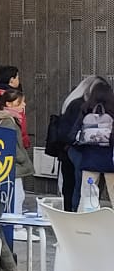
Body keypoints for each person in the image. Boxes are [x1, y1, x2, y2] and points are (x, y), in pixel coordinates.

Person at [48, 77, 104, 210]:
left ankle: (71, 212)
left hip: (67, 151)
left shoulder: (71, 102)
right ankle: (76, 212)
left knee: (70, 185)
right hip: (77, 150)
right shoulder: (82, 105)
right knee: (81, 186)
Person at [60, 77, 114, 209]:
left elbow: (73, 134)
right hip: (110, 159)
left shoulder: (85, 109)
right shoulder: (112, 111)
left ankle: (83, 221)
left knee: (87, 195)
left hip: (90, 158)